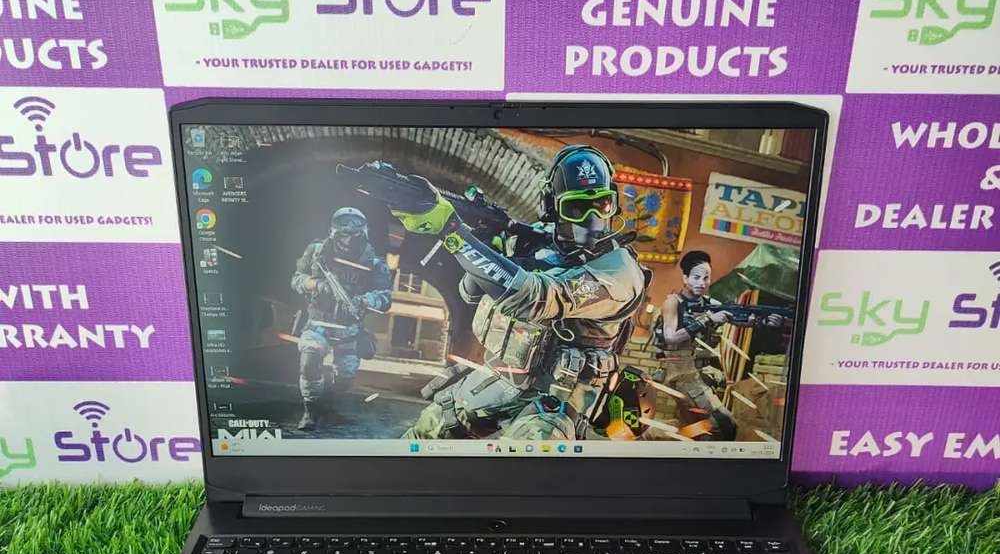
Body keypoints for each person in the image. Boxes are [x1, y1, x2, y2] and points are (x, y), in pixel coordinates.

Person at [396, 145, 649, 440]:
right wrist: (488, 246)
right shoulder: (540, 241)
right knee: (429, 428)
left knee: (530, 451)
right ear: (552, 206)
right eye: (576, 208)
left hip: (564, 396)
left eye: (602, 205)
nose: (591, 217)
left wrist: (454, 234)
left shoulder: (621, 271)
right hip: (504, 378)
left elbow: (534, 299)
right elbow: (470, 293)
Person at [652, 249, 779, 440]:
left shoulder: (712, 303)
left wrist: (763, 321)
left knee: (696, 428)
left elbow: (740, 318)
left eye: (706, 278)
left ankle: (653, 436)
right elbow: (671, 337)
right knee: (724, 424)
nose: (702, 283)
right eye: (696, 277)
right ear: (685, 278)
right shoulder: (673, 302)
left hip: (705, 375)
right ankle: (654, 437)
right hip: (681, 374)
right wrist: (707, 319)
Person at [291, 207, 392, 431]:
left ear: (363, 233)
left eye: (354, 235)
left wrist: (365, 300)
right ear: (333, 231)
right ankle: (310, 410)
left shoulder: (375, 263)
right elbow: (297, 279)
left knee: (344, 378)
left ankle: (327, 399)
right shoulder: (316, 251)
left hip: (349, 328)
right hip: (317, 322)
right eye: (343, 234)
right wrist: (316, 284)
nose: (348, 241)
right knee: (309, 362)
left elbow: (386, 298)